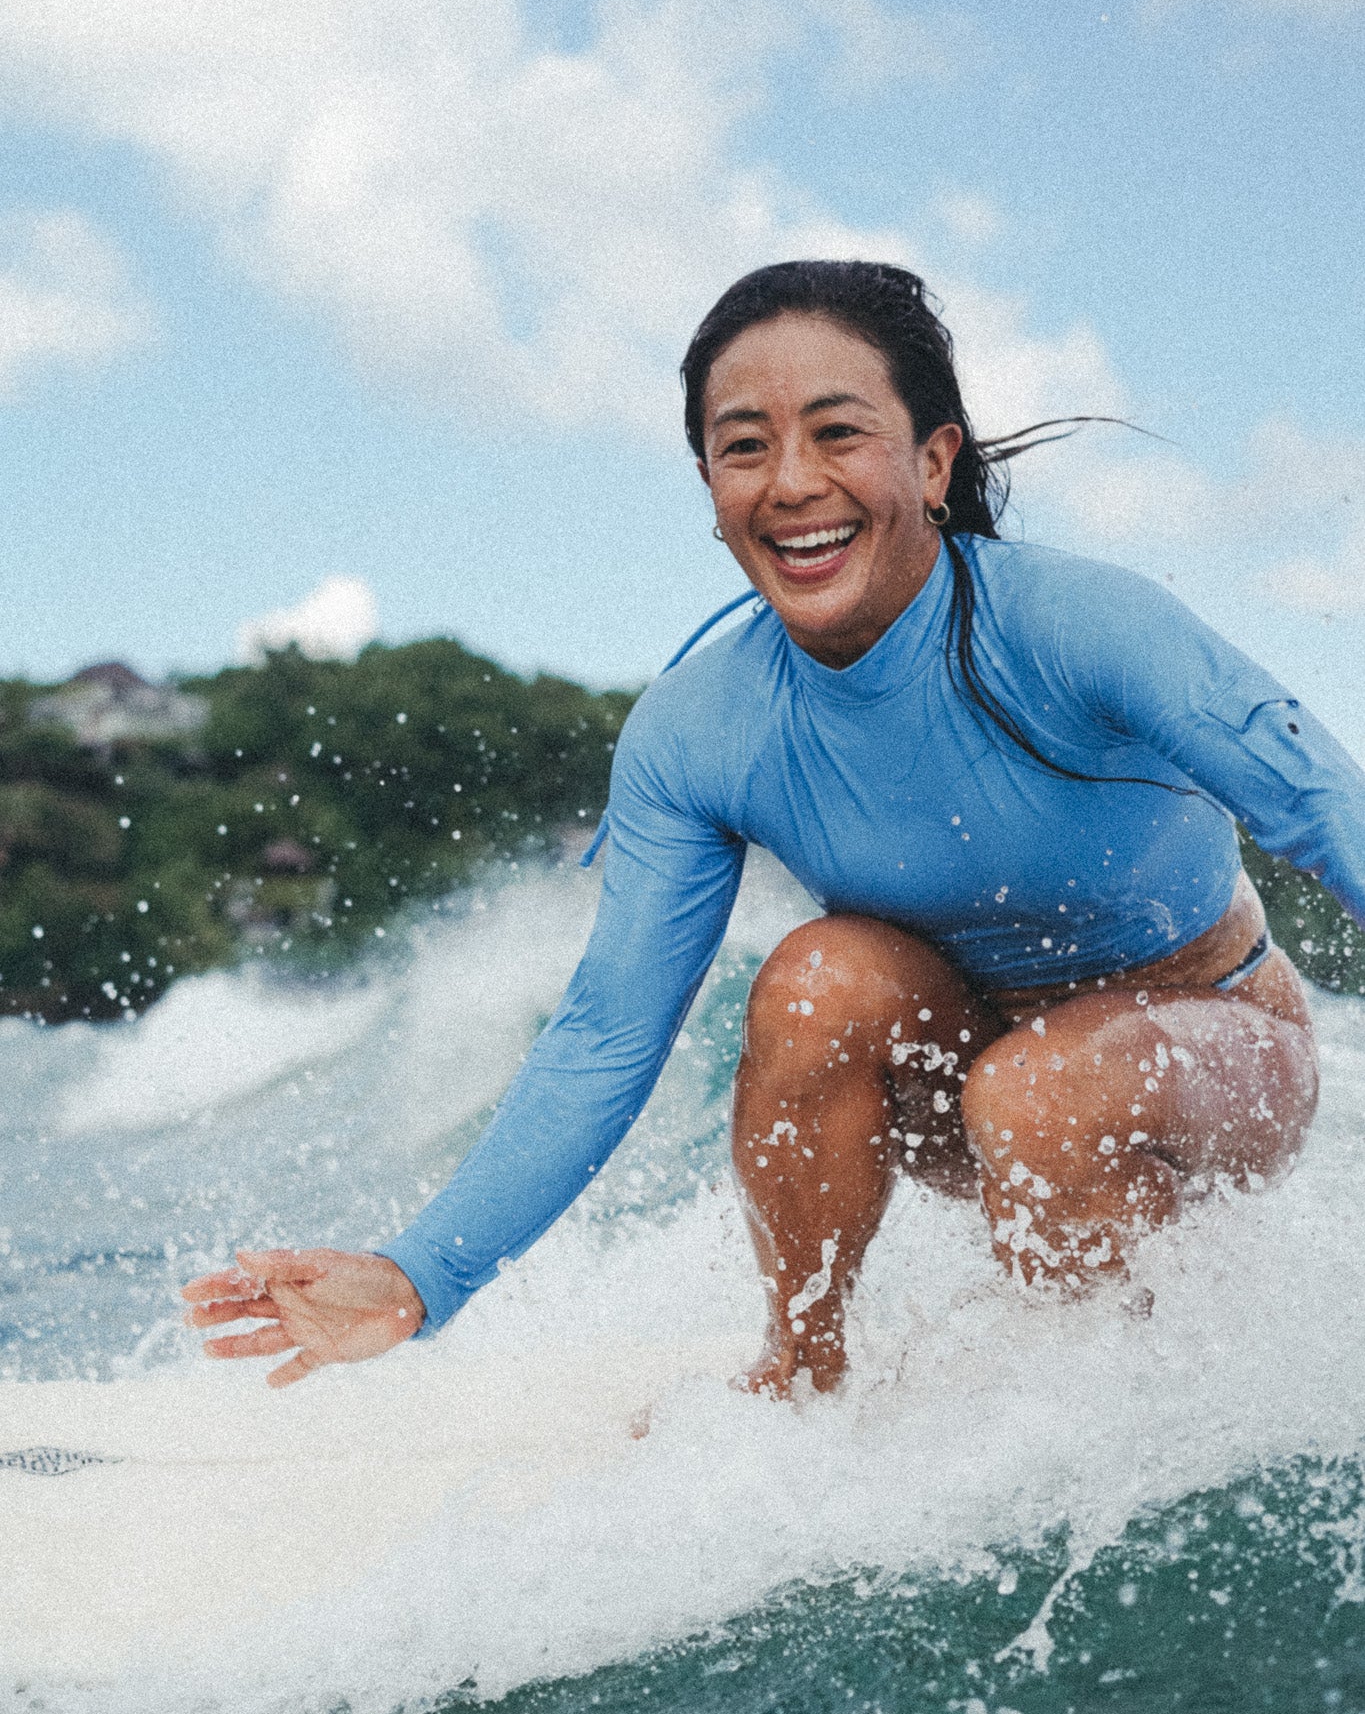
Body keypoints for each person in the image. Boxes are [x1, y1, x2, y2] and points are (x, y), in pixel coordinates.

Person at [183, 260, 1365, 1396]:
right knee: (814, 982)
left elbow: (1318, 802)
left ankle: (1106, 1407)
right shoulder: (703, 729)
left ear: (934, 460)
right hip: (971, 1072)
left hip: (1212, 1048)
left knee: (1042, 1092)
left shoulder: (1073, 622)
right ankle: (806, 1376)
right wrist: (417, 1274)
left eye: (838, 432)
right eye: (743, 445)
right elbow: (606, 1029)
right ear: (709, 489)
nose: (790, 481)